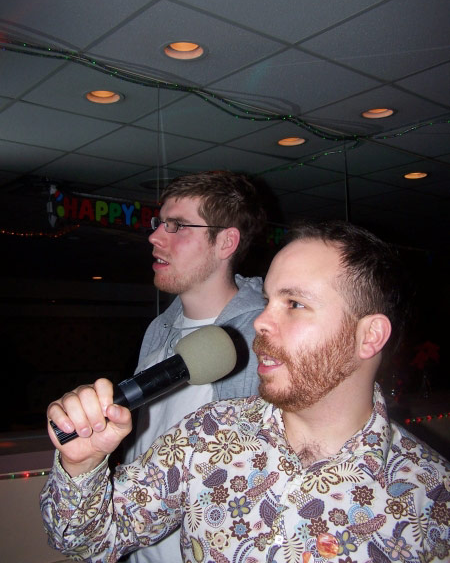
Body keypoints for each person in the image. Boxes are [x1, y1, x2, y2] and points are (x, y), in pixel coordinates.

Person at [41, 219, 449, 563]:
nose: (260, 322)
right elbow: (85, 541)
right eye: (269, 300)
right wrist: (82, 465)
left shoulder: (432, 496)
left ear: (369, 336)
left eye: (294, 304)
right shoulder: (207, 434)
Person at [121, 170, 267, 562]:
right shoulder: (159, 329)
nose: (155, 237)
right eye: (159, 224)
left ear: (226, 242)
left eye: (177, 226)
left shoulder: (262, 340)